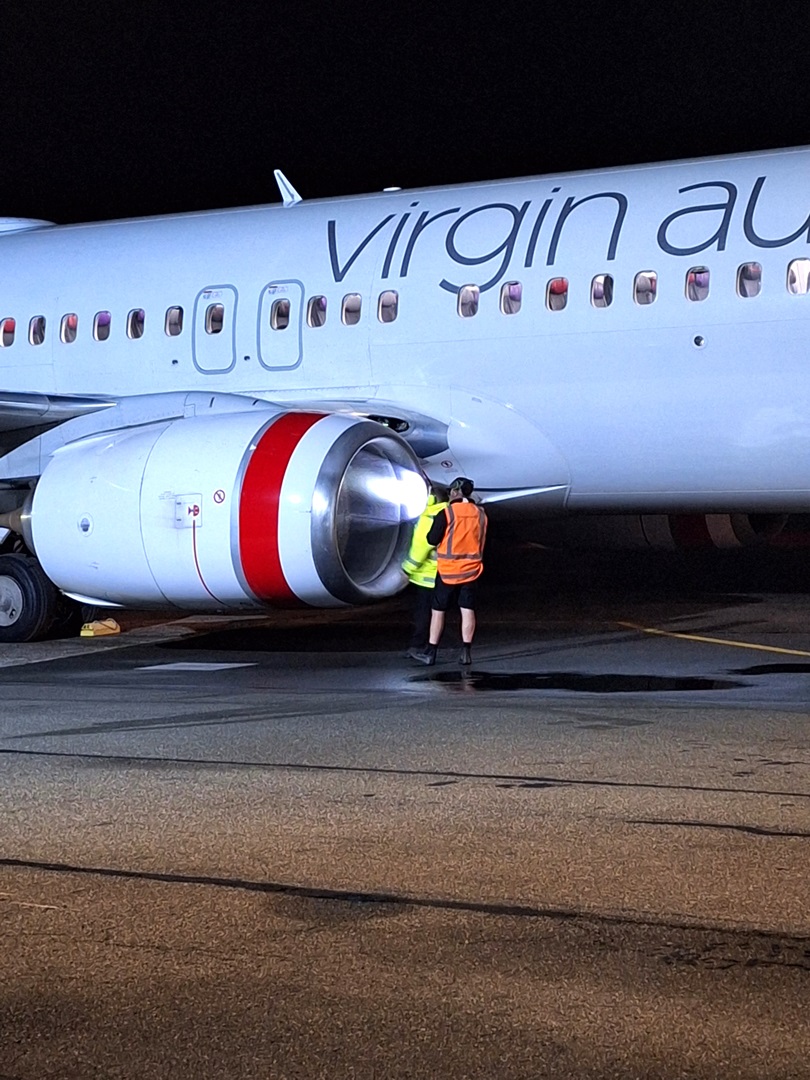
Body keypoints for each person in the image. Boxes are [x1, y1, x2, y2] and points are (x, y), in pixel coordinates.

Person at [412, 477, 487, 666]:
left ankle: (431, 652)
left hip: (448, 571)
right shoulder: (481, 514)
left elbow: (431, 539)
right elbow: (481, 540)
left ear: (454, 492)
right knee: (467, 610)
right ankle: (466, 652)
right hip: (472, 571)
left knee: (438, 611)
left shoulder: (447, 513)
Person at [401, 483, 448, 659]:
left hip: (425, 576)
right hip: (446, 573)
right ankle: (433, 644)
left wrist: (407, 569)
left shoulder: (429, 516)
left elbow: (421, 547)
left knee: (422, 614)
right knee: (439, 612)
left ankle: (417, 645)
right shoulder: (450, 513)